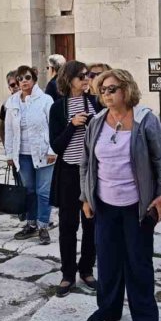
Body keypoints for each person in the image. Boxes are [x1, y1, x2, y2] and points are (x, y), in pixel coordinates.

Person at [81, 69, 161, 321]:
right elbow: (86, 162)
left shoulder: (145, 120)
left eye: (112, 89)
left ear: (126, 90)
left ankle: (145, 315)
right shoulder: (97, 121)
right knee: (108, 259)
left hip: (138, 205)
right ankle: (108, 308)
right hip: (105, 204)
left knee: (138, 260)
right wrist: (85, 196)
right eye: (103, 90)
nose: (107, 95)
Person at [48, 61, 100, 297]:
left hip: (91, 172)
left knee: (91, 224)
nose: (86, 79)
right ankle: (67, 274)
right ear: (69, 80)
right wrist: (72, 125)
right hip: (69, 171)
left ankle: (87, 269)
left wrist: (90, 123)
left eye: (88, 75)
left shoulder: (96, 103)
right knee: (68, 226)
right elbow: (56, 145)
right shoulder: (58, 108)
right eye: (81, 76)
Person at [4, 65, 56, 244]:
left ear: (34, 79)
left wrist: (52, 150)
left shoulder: (45, 100)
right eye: (20, 78)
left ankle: (43, 226)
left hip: (43, 152)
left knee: (44, 191)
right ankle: (31, 224)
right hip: (23, 153)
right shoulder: (12, 102)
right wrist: (10, 153)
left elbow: (53, 126)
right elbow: (9, 129)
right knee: (29, 190)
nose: (23, 81)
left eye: (27, 77)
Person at [0, 70, 19, 143]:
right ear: (9, 88)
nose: (16, 86)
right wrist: (5, 145)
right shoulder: (5, 105)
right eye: (13, 85)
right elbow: (1, 128)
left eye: (18, 83)